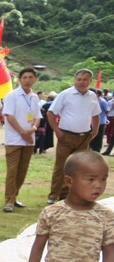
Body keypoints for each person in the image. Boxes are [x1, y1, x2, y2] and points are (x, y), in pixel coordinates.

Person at [47, 69, 100, 203]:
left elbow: (95, 114)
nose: (81, 82)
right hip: (66, 136)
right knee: (62, 167)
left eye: (85, 79)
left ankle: (71, 195)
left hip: (84, 137)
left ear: (90, 81)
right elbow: (51, 113)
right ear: (74, 80)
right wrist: (58, 132)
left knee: (79, 167)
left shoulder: (92, 96)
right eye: (79, 79)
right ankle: (54, 195)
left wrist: (95, 130)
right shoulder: (66, 94)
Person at [2, 67, 40, 213]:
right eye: (25, 77)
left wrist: (33, 129)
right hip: (14, 139)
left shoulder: (34, 97)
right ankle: (8, 201)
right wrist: (23, 132)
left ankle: (14, 196)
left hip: (29, 140)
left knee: (22, 171)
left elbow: (37, 117)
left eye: (31, 77)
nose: (28, 80)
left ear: (35, 79)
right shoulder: (12, 95)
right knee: (12, 171)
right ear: (19, 80)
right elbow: (9, 116)